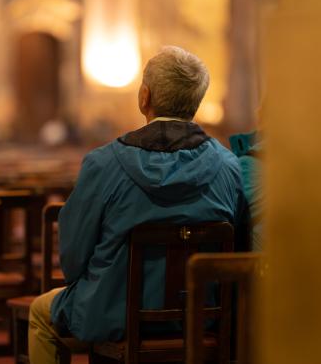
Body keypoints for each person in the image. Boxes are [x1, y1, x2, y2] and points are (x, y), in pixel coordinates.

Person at [28, 46, 250, 363]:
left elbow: (73, 259)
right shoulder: (228, 166)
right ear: (196, 102)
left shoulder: (103, 164)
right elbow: (237, 251)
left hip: (113, 314)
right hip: (202, 315)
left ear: (143, 97)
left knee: (40, 313)